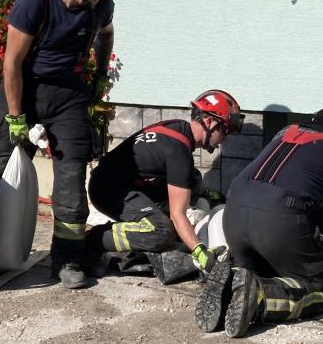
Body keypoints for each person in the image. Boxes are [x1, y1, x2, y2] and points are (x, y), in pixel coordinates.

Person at [0, 0, 127, 290]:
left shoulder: (101, 7)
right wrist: (15, 116)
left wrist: (100, 74)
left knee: (72, 176)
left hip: (68, 96)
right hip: (24, 90)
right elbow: (12, 63)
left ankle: (67, 259)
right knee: (3, 173)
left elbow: (106, 35)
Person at [196, 102, 323, 339]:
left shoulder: (285, 132)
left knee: (257, 272)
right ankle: (261, 298)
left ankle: (229, 283)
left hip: (234, 209)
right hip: (279, 216)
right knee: (322, 286)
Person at [85, 90, 244, 274]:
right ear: (209, 122)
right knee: (161, 232)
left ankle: (192, 200)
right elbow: (178, 215)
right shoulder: (177, 152)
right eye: (225, 130)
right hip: (107, 189)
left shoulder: (178, 128)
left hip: (121, 181)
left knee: (191, 178)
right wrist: (200, 251)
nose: (224, 139)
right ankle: (95, 239)